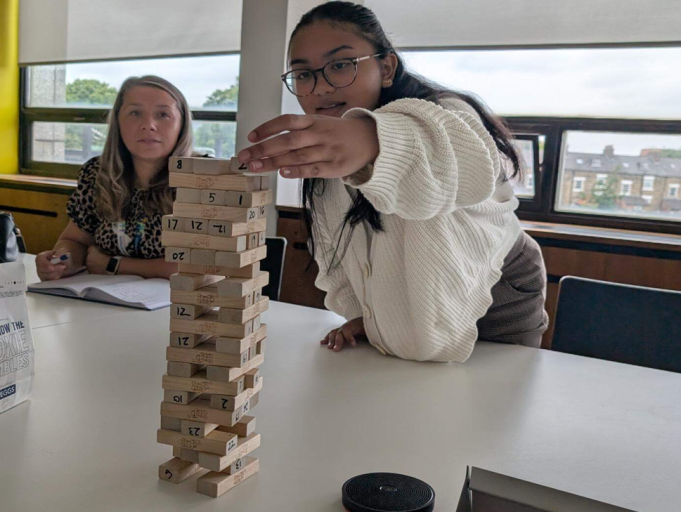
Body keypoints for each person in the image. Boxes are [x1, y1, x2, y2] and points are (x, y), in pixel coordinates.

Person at [237, 2, 549, 362]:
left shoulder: (444, 111)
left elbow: (465, 163)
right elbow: (334, 251)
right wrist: (364, 315)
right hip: (417, 316)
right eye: (303, 74)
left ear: (386, 67)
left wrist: (375, 141)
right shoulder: (326, 158)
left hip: (499, 293)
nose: (319, 87)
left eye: (340, 65)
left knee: (486, 410)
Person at [37, 76, 193, 281]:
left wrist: (113, 265)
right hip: (106, 301)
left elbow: (201, 265)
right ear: (118, 121)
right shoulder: (96, 172)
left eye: (163, 114)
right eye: (135, 113)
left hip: (178, 306)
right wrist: (61, 261)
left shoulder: (203, 179)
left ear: (182, 124)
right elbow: (75, 242)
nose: (149, 125)